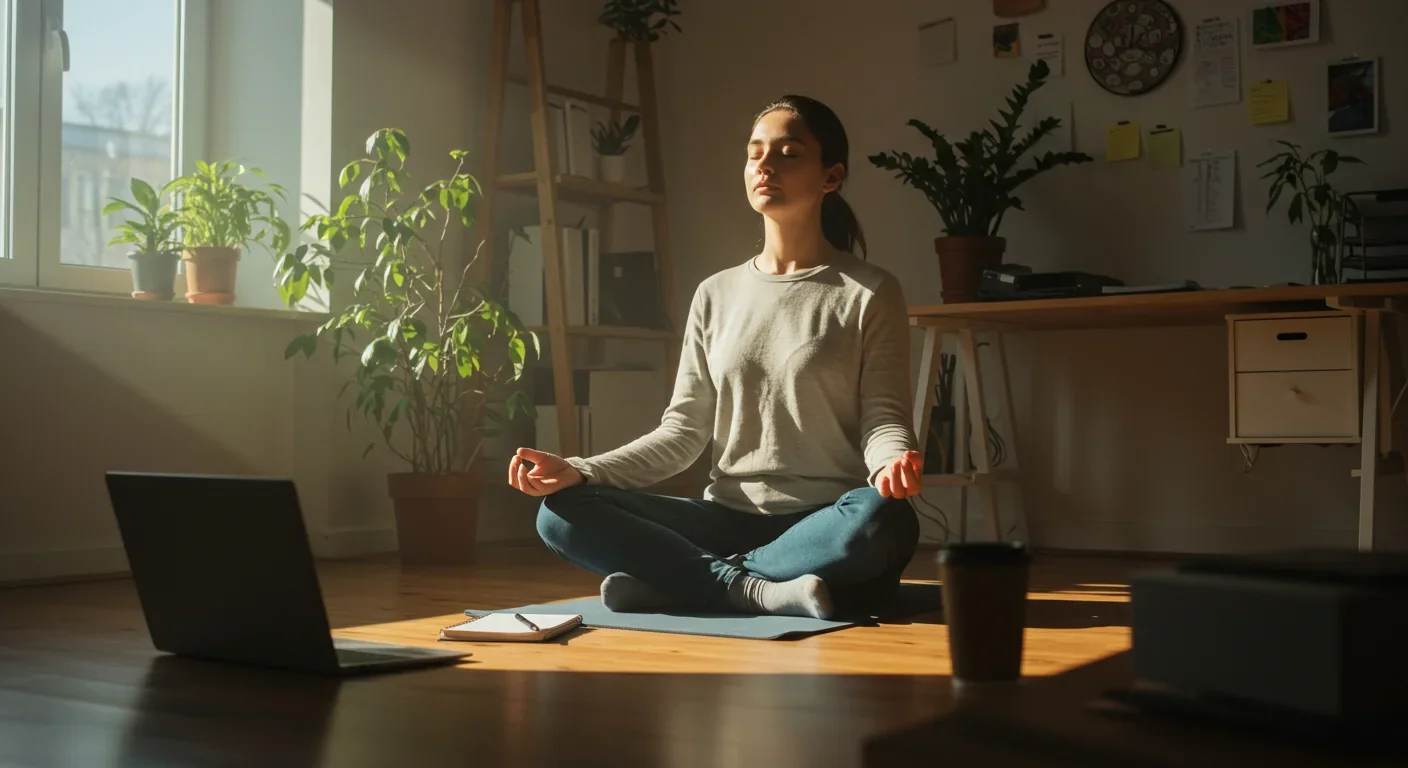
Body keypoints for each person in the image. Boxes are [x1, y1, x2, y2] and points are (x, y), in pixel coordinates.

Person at [508, 94, 923, 620]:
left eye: (789, 153)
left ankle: (689, 582)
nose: (765, 166)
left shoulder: (869, 291)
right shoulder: (715, 294)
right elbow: (682, 433)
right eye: (755, 153)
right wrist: (580, 470)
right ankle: (752, 588)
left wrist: (891, 463)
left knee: (883, 516)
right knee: (560, 512)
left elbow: (884, 416)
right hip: (724, 520)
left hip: (822, 522)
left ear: (831, 176)